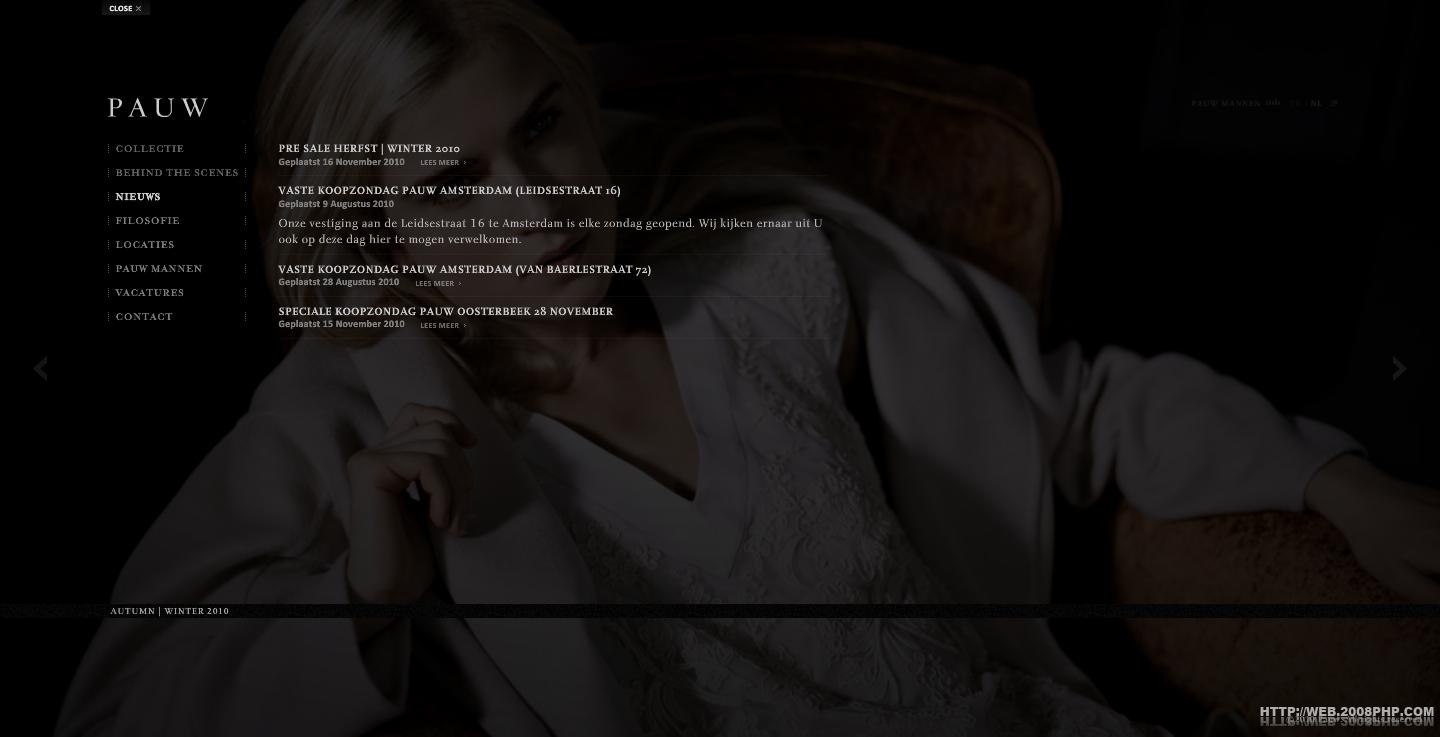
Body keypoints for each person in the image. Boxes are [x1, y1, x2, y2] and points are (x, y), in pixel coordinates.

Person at [57, 1, 1439, 736]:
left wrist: (1334, 475)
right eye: (451, 182)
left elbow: (1075, 402)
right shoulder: (342, 413)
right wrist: (361, 600)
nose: (539, 203)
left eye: (541, 128)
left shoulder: (769, 264)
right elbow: (119, 706)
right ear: (375, 227)